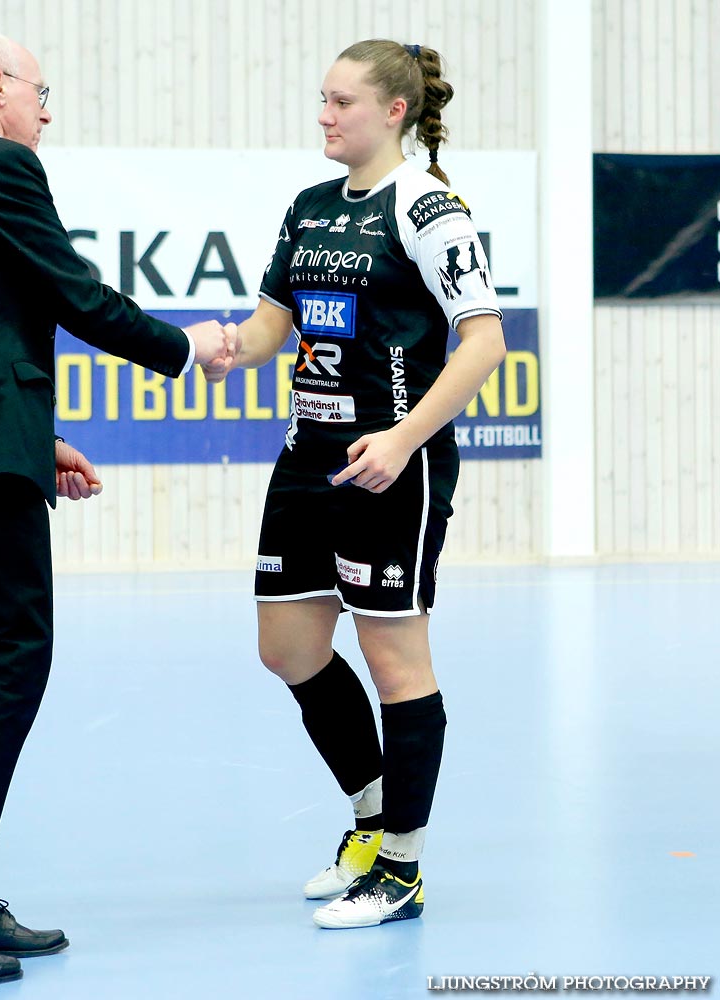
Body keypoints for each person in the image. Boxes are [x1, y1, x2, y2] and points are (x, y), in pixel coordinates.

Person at [0, 30, 231, 984]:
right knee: (9, 661)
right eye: (41, 90)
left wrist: (34, 437)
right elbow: (74, 294)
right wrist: (186, 350)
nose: (47, 110)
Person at [205, 40, 506, 929]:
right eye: (322, 101)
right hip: (308, 457)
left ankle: (401, 870)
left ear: (394, 113)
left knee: (393, 662)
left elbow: (482, 340)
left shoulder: (427, 207)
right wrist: (224, 347)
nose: (325, 116)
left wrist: (405, 438)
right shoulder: (307, 208)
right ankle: (369, 821)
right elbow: (272, 327)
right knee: (288, 648)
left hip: (391, 466)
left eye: (341, 102)